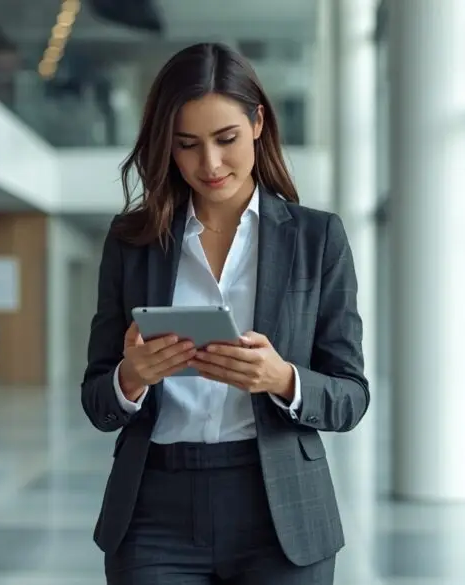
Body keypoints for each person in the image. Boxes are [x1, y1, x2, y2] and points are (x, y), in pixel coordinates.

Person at [81, 42, 369, 585]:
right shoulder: (132, 241)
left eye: (226, 139)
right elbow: (98, 401)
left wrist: (282, 379)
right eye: (186, 145)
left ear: (258, 122)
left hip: (279, 509)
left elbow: (351, 396)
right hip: (153, 510)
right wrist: (131, 379)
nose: (209, 164)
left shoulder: (317, 238)